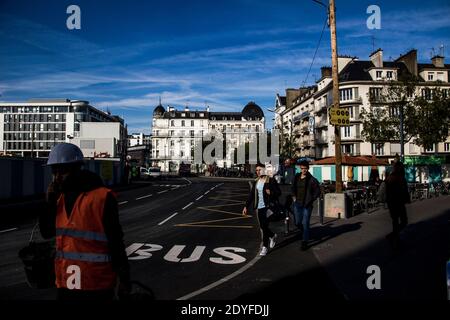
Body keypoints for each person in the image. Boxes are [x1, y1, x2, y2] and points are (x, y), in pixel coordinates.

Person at [39, 143, 131, 301]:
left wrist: (124, 278)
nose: (56, 177)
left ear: (76, 169)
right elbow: (46, 232)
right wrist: (49, 203)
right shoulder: (58, 197)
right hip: (66, 284)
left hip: (96, 285)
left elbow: (115, 241)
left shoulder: (102, 197)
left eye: (62, 171)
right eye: (54, 172)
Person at [242, 163, 281, 256]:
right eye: (256, 170)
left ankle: (264, 247)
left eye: (259, 170)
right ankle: (272, 235)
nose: (258, 172)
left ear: (264, 170)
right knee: (263, 226)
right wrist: (246, 206)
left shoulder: (270, 180)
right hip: (259, 208)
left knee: (264, 226)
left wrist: (271, 192)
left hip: (268, 207)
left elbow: (279, 192)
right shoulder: (257, 181)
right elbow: (251, 195)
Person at [292, 160, 321, 250]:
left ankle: (304, 242)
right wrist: (293, 196)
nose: (303, 170)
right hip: (297, 203)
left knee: (305, 223)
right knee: (297, 222)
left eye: (305, 168)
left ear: (308, 169)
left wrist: (311, 199)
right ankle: (304, 231)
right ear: (300, 168)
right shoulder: (296, 177)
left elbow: (317, 191)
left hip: (306, 205)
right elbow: (292, 187)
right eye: (302, 168)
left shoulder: (312, 179)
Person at [385, 161, 410, 249]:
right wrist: (407, 199)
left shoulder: (389, 178)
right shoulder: (400, 178)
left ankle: (395, 238)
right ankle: (393, 236)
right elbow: (404, 190)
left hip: (391, 203)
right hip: (399, 202)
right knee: (403, 221)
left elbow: (387, 191)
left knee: (395, 221)